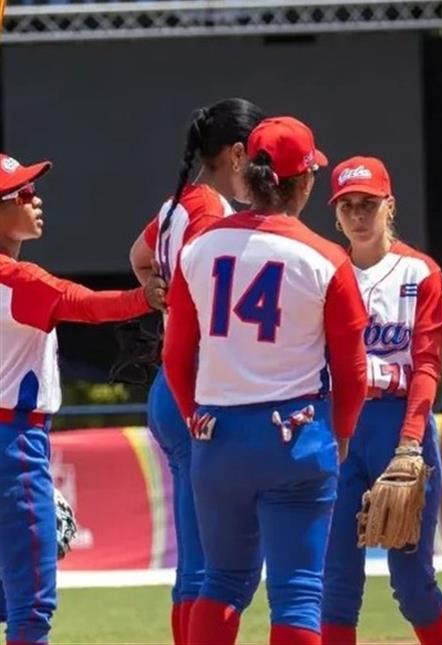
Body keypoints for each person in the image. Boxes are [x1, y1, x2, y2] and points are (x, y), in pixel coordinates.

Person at [163, 116, 369, 645]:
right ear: (304, 181)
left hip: (218, 436)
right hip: (295, 435)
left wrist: (194, 417)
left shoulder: (198, 248)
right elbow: (352, 368)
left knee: (221, 581)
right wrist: (344, 430)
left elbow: (176, 355)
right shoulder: (327, 258)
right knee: (297, 592)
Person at [0, 154, 162, 644]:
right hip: (13, 444)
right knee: (31, 607)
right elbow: (80, 302)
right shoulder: (15, 280)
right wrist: (144, 298)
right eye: (22, 193)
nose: (35, 199)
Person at [128, 97, 264, 645]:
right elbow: (212, 303)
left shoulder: (176, 205)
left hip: (173, 385)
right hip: (200, 388)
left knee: (198, 563)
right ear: (237, 153)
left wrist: (156, 294)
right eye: (258, 156)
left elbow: (138, 256)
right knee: (219, 567)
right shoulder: (211, 211)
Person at [319, 155, 442, 645]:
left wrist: (410, 442)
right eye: (348, 205)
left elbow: (427, 364)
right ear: (336, 213)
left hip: (399, 425)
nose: (358, 215)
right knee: (335, 584)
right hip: (340, 427)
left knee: (412, 582)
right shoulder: (323, 271)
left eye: (369, 204)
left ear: (389, 206)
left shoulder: (419, 271)